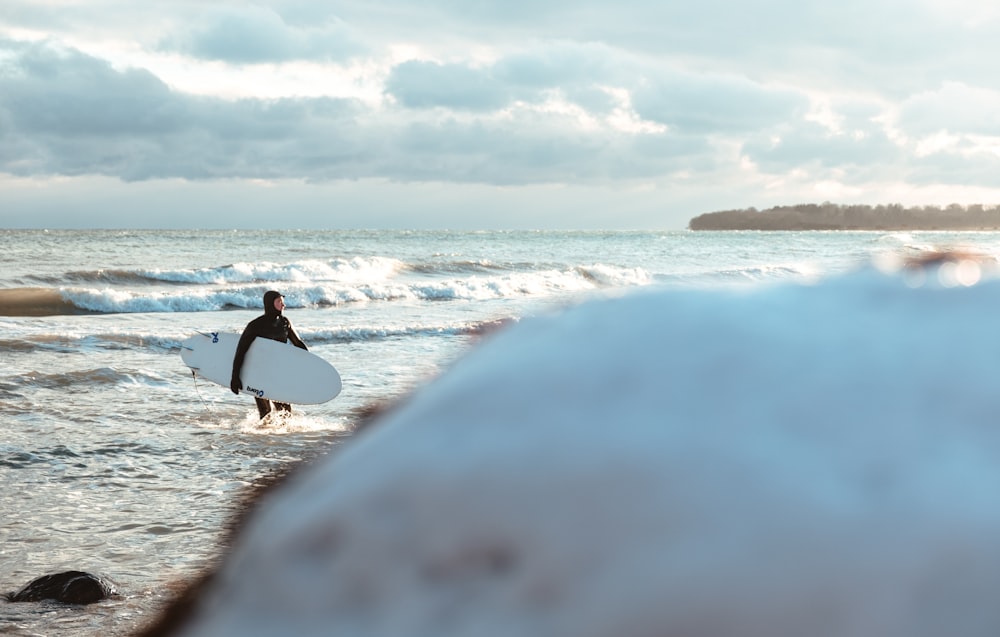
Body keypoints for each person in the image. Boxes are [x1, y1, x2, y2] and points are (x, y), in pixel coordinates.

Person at [230, 290, 308, 419]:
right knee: (265, 413)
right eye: (279, 302)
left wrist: (310, 365)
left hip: (278, 372)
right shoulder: (255, 325)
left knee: (285, 412)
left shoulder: (284, 323)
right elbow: (241, 351)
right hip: (259, 373)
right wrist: (235, 377)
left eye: (283, 302)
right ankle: (262, 437)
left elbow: (298, 344)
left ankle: (283, 438)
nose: (283, 306)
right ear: (270, 304)